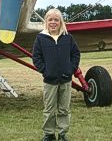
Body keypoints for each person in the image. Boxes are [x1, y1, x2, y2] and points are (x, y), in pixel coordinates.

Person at [32, 8, 81, 141]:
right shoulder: (41, 38)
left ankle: (63, 133)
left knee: (64, 109)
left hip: (66, 80)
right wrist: (45, 70)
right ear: (46, 21)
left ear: (61, 22)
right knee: (49, 109)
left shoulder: (68, 37)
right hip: (50, 81)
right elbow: (36, 57)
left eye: (56, 20)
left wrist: (70, 69)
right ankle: (49, 134)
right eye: (50, 19)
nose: (53, 22)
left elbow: (75, 54)